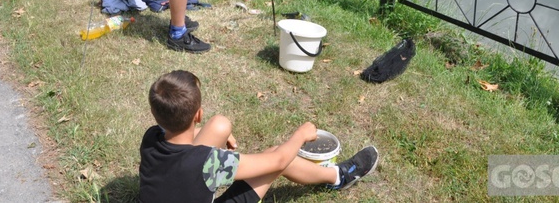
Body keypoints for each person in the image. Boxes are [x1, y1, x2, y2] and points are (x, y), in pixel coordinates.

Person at [139, 70, 379, 202]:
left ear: (154, 113)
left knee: (221, 124)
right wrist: (300, 135)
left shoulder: (150, 138)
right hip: (206, 167)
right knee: (275, 156)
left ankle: (334, 175)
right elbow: (278, 162)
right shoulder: (209, 163)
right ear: (198, 115)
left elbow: (186, 147)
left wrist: (218, 133)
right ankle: (337, 176)